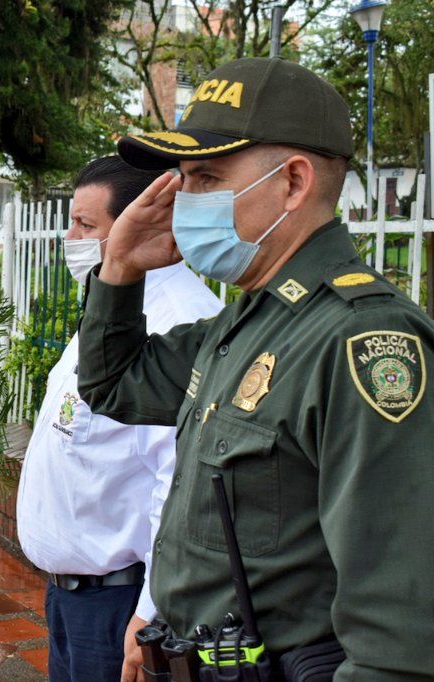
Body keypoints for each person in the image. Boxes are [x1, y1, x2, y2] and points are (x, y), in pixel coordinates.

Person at [77, 58, 434, 679]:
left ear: (293, 183)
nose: (180, 201)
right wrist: (122, 268)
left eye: (205, 177)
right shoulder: (246, 323)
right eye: (180, 179)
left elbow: (397, 638)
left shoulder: (361, 340)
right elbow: (113, 386)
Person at [17, 157, 221, 682]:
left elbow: (175, 490)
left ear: (145, 223)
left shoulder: (179, 321)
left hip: (119, 607)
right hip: (71, 597)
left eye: (87, 225)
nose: (71, 238)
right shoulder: (114, 307)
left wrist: (147, 615)